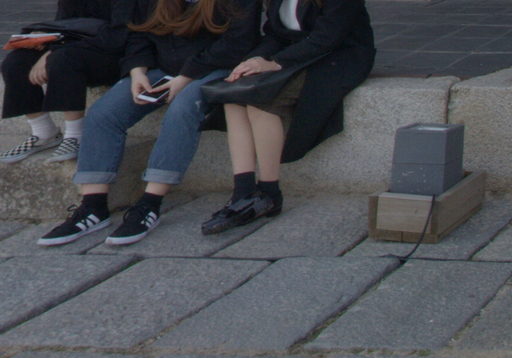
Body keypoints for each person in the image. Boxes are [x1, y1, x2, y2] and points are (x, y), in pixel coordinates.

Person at [37, 0, 260, 247]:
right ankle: (93, 206)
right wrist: (137, 71)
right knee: (103, 115)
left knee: (183, 108)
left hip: (214, 68)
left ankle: (150, 203)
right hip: (162, 68)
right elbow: (138, 32)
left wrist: (185, 76)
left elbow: (238, 42)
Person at [201, 0, 375, 235]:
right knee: (232, 98)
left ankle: (270, 193)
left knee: (260, 102)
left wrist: (275, 63)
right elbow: (275, 34)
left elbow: (327, 38)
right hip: (295, 55)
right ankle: (243, 192)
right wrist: (252, 61)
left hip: (338, 57)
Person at [0, 0, 136, 164]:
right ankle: (44, 132)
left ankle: (75, 136)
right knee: (16, 62)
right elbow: (64, 25)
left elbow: (117, 36)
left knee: (63, 59)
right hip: (75, 46)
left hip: (116, 54)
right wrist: (44, 38)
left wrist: (55, 51)